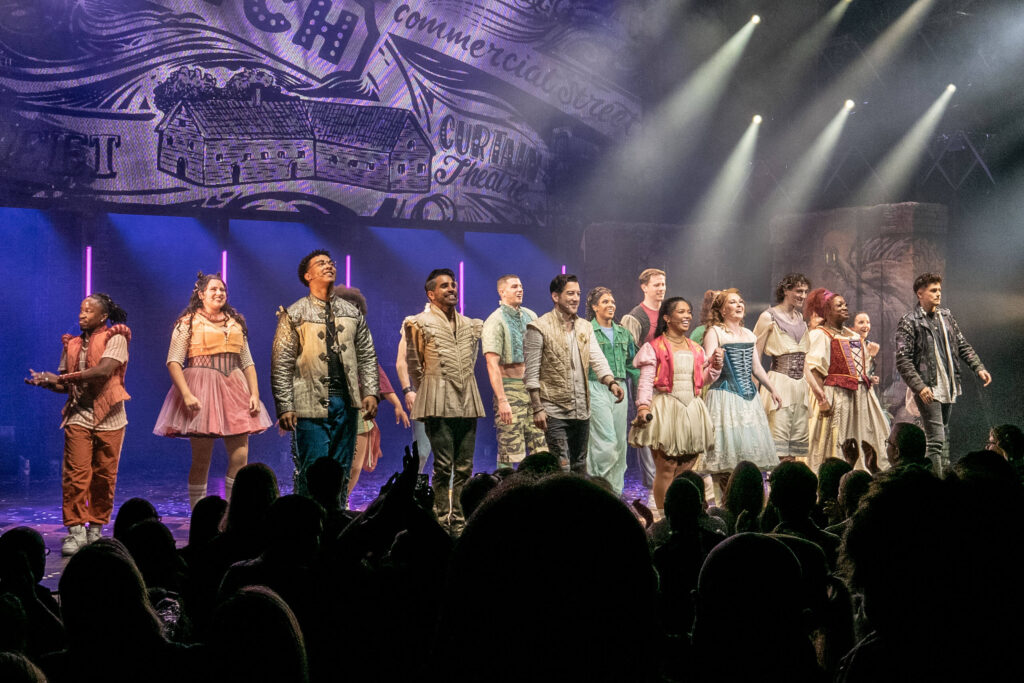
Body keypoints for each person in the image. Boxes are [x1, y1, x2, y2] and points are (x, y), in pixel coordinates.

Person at [153, 272, 272, 508]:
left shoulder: (235, 322)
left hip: (235, 387)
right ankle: (199, 512)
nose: (219, 293)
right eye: (213, 289)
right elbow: (174, 361)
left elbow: (247, 362)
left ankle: (231, 511)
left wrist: (255, 393)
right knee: (201, 459)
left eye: (222, 290)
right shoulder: (187, 322)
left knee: (240, 456)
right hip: (202, 386)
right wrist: (186, 394)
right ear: (201, 294)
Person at [25, 293, 131, 556]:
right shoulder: (71, 344)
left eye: (88, 311)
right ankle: (76, 531)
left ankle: (95, 529)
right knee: (75, 475)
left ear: (103, 316)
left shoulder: (115, 337)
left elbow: (104, 371)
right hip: (79, 415)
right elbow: (65, 385)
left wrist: (64, 378)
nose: (82, 315)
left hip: (110, 417)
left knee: (104, 477)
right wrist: (48, 382)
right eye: (81, 310)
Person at [271, 250, 379, 498]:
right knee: (312, 469)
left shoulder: (352, 313)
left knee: (342, 470)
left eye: (331, 263)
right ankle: (308, 527)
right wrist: (285, 405)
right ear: (308, 275)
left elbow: (367, 355)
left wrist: (371, 391)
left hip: (346, 403)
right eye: (321, 263)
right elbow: (281, 363)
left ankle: (336, 523)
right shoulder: (294, 313)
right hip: (309, 403)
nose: (328, 266)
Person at [404, 268, 485, 536]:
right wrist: (428, 387)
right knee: (443, 464)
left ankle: (459, 520)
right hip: (437, 398)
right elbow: (414, 363)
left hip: (467, 399)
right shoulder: (418, 322)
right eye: (444, 286)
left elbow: (472, 360)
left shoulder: (471, 324)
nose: (452, 289)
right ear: (431, 293)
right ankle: (441, 518)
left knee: (464, 465)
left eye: (453, 285)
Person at [524, 274, 625, 473]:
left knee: (580, 465)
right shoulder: (539, 327)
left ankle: (579, 504)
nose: (575, 298)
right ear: (555, 296)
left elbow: (596, 358)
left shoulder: (585, 327)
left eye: (578, 294)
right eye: (570, 293)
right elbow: (532, 372)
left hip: (581, 409)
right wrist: (537, 408)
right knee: (562, 465)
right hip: (554, 409)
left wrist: (611, 382)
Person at [895, 273, 991, 471]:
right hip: (928, 386)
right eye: (933, 290)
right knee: (936, 440)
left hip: (947, 384)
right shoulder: (909, 321)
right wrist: (920, 386)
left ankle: (927, 475)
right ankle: (935, 486)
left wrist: (978, 367)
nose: (938, 294)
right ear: (920, 293)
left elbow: (962, 344)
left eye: (939, 290)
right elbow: (903, 359)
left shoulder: (945, 316)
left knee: (939, 433)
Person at [629, 297, 716, 511]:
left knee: (685, 469)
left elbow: (700, 380)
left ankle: (681, 514)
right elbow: (647, 380)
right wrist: (643, 406)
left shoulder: (696, 348)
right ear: (667, 318)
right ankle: (664, 517)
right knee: (666, 468)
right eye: (681, 312)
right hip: (667, 409)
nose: (687, 316)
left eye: (689, 311)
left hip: (692, 408)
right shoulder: (655, 347)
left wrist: (714, 368)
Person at [334, 286, 410, 504]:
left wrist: (396, 404)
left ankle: (342, 501)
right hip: (333, 409)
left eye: (357, 309)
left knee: (355, 464)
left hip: (358, 411)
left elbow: (377, 374)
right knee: (336, 461)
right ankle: (331, 502)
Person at [701, 289, 781, 497]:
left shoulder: (749, 334)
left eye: (741, 302)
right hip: (724, 395)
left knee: (748, 456)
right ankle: (724, 504)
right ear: (721, 309)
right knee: (726, 459)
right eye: (732, 302)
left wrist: (772, 389)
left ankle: (749, 502)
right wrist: (714, 360)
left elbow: (756, 368)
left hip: (748, 399)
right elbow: (706, 363)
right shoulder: (715, 332)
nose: (739, 305)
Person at [804, 288, 890, 471]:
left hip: (860, 398)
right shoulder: (820, 335)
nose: (844, 308)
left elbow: (861, 369)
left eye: (845, 304)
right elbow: (815, 371)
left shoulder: (853, 336)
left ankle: (862, 475)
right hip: (836, 395)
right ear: (826, 310)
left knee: (863, 436)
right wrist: (822, 400)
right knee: (835, 439)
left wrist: (871, 359)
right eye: (838, 305)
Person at [481, 274, 546, 471]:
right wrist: (502, 400)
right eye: (514, 286)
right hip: (509, 388)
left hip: (532, 388)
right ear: (502, 291)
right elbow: (492, 363)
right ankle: (505, 492)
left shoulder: (530, 315)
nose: (520, 289)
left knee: (541, 446)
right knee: (510, 446)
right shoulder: (495, 320)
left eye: (521, 286)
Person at [753, 273, 812, 462]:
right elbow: (756, 354)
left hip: (799, 386)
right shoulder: (768, 316)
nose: (803, 295)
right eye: (798, 291)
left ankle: (790, 486)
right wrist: (754, 389)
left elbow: (804, 359)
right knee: (778, 443)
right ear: (786, 291)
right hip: (779, 382)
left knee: (793, 446)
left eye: (805, 291)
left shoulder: (800, 318)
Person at [585, 286, 638, 495]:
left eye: (613, 302)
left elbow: (632, 365)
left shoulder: (623, 332)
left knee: (619, 443)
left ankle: (615, 491)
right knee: (603, 441)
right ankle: (599, 487)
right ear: (594, 306)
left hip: (620, 388)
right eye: (605, 301)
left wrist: (644, 394)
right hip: (596, 386)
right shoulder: (586, 330)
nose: (611, 305)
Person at [620, 268, 666, 495]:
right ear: (644, 287)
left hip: (666, 381)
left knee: (665, 427)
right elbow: (628, 356)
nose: (661, 289)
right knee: (645, 428)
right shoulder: (635, 317)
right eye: (656, 284)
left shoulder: (668, 314)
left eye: (663, 284)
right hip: (643, 381)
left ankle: (665, 476)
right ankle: (651, 480)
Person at [395, 303, 433, 473]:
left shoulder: (456, 322)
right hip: (422, 391)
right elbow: (401, 361)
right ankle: (412, 487)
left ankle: (448, 494)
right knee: (422, 450)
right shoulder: (413, 322)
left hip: (449, 393)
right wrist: (407, 390)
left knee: (449, 450)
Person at [851, 311, 881, 384]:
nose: (866, 326)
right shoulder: (848, 344)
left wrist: (871, 378)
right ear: (851, 327)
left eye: (868, 322)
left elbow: (867, 372)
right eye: (861, 322)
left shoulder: (868, 344)